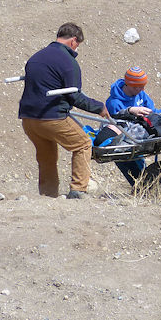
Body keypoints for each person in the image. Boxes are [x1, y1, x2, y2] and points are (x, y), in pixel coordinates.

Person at [19, 22, 110, 199]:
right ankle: (78, 189)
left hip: (28, 119)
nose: (77, 49)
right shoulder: (68, 62)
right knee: (83, 143)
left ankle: (47, 194)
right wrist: (99, 107)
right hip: (52, 118)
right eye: (78, 45)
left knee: (47, 156)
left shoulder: (36, 57)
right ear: (73, 41)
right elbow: (74, 96)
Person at [104, 66, 161, 186]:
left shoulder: (141, 94)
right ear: (130, 85)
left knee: (141, 169)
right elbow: (118, 123)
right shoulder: (114, 102)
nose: (142, 89)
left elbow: (151, 110)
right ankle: (140, 189)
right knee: (133, 171)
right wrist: (132, 112)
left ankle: (144, 188)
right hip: (124, 142)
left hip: (139, 137)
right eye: (139, 87)